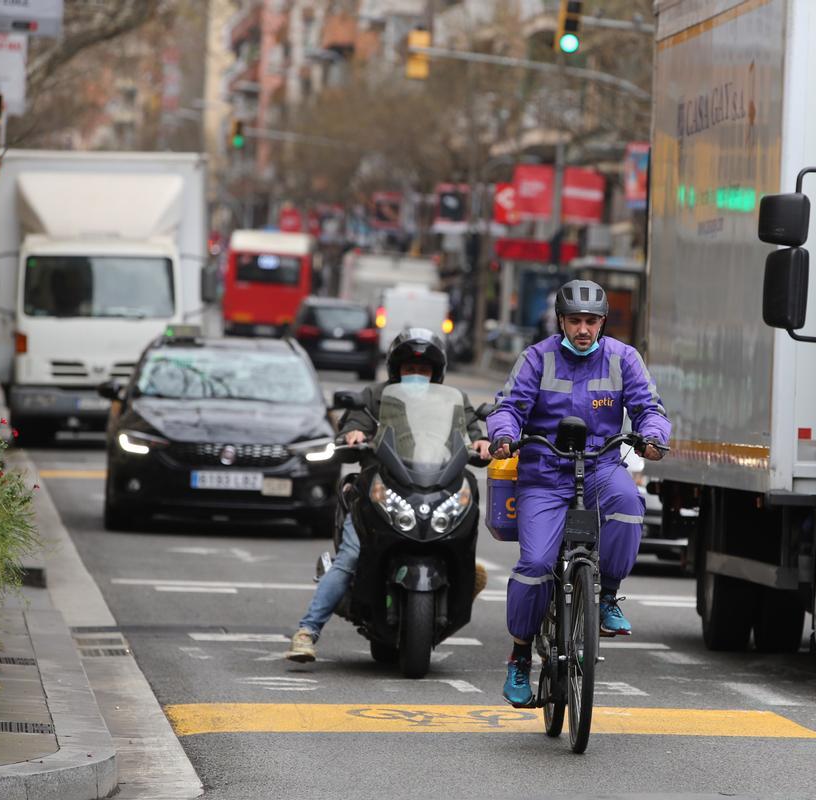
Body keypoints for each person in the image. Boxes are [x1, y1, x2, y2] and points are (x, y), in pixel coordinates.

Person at [486, 279, 671, 707]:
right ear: (561, 321)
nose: (583, 329)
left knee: (628, 504)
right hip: (545, 473)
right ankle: (518, 657)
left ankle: (606, 596)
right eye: (575, 321)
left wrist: (652, 437)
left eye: (591, 321)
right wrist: (503, 436)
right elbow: (509, 407)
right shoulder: (536, 358)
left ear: (602, 322)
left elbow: (648, 408)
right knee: (534, 564)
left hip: (601, 466)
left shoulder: (625, 359)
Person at [285, 328, 492, 662]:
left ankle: (461, 584)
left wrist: (481, 443)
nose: (416, 376)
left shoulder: (454, 401)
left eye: (423, 370)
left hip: (434, 488)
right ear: (397, 370)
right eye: (409, 369)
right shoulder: (374, 396)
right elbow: (354, 423)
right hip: (380, 490)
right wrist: (353, 433)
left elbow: (471, 433)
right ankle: (307, 631)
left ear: (436, 373)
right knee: (351, 555)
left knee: (464, 544)